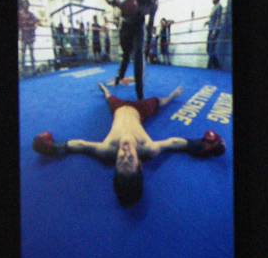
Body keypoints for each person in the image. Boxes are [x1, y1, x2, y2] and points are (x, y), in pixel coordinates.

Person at [32, 83, 225, 206]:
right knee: (159, 102)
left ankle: (105, 89)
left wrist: (53, 147)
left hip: (118, 109)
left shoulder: (106, 150)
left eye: (120, 160)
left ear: (114, 163)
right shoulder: (148, 148)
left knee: (109, 97)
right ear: (139, 163)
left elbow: (80, 145)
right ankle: (172, 95)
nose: (124, 152)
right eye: (130, 159)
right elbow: (175, 143)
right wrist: (203, 146)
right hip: (139, 110)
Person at [107, 0, 152, 97]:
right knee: (126, 54)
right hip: (126, 24)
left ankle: (139, 92)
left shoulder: (153, 4)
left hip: (139, 25)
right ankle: (118, 78)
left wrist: (148, 43)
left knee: (138, 55)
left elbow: (150, 23)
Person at [205, 0, 227, 69]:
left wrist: (214, 32)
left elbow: (218, 20)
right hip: (210, 30)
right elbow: (213, 19)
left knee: (211, 48)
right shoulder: (213, 7)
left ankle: (209, 67)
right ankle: (217, 67)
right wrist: (207, 22)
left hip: (214, 30)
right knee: (209, 49)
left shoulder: (219, 7)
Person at [17, 0, 38, 70]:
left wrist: (34, 27)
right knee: (23, 53)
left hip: (30, 37)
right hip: (24, 37)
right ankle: (22, 68)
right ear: (23, 6)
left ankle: (33, 67)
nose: (26, 6)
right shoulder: (20, 14)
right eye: (24, 5)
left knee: (32, 52)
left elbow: (37, 22)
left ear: (28, 6)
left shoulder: (31, 14)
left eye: (27, 5)